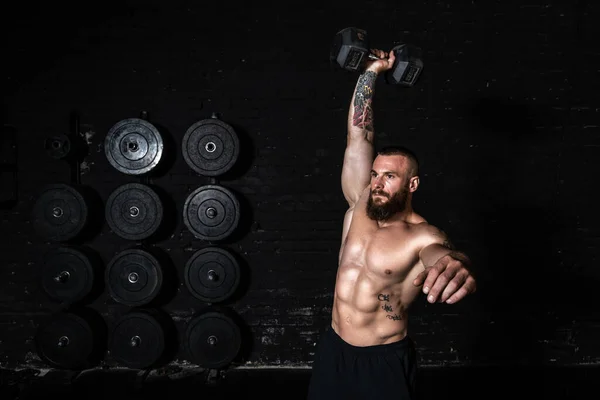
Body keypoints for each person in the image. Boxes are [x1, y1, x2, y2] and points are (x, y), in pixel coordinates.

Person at [306, 48, 477, 400]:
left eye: (389, 176)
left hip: (382, 361)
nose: (378, 183)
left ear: (412, 184)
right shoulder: (358, 205)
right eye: (374, 174)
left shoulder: (421, 234)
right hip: (333, 349)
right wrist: (372, 71)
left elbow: (439, 255)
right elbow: (360, 136)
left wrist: (454, 265)